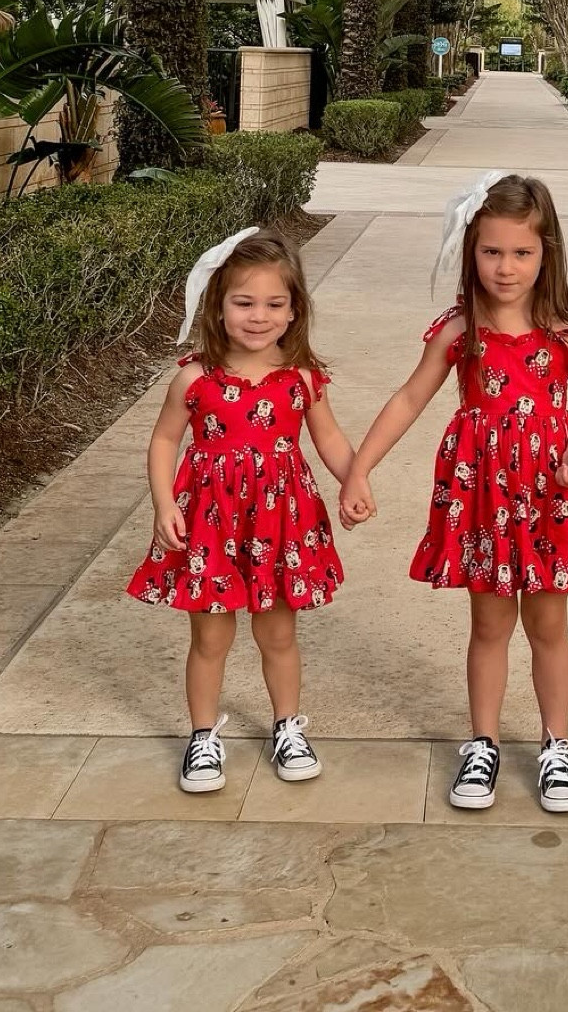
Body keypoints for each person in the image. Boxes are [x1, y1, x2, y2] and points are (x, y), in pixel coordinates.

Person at [339, 171, 568, 815]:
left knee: (549, 623)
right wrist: (360, 468)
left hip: (549, 493)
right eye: (491, 251)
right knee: (490, 623)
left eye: (522, 253)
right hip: (482, 498)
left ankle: (557, 745)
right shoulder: (457, 330)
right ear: (470, 252)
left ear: (546, 251)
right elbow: (410, 398)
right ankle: (484, 743)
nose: (506, 267)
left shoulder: (566, 329)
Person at [127, 225, 352, 794]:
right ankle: (203, 737)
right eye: (244, 302)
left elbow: (328, 441)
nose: (259, 316)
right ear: (217, 305)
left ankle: (287, 727)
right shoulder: (194, 377)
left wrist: (355, 479)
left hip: (280, 524)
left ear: (295, 308)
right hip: (210, 524)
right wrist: (161, 504)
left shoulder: (302, 377)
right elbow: (162, 442)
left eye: (275, 303)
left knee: (278, 635)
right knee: (210, 638)